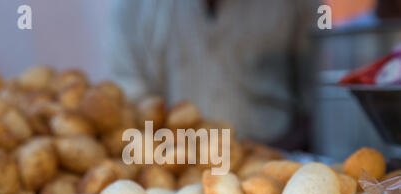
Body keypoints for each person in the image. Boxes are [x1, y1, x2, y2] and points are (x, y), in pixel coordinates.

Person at [106, 0, 317, 149]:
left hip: (279, 160)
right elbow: (130, 105)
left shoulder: (297, 5)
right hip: (173, 168)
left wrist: (272, 155)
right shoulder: (130, 8)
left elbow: (320, 98)